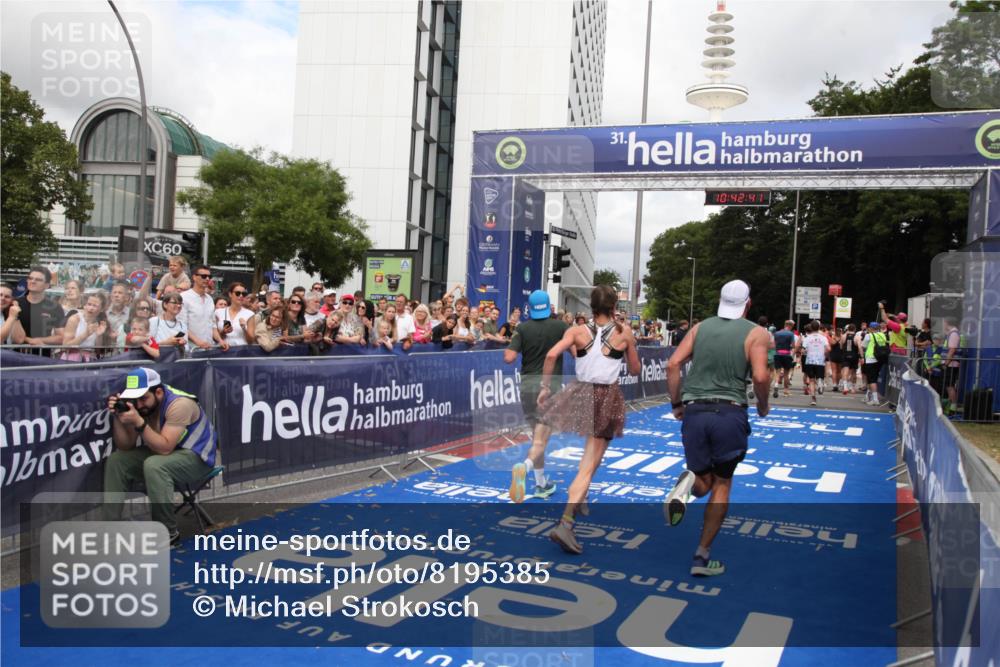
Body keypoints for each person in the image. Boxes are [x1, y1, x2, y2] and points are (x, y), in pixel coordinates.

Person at [663, 279, 771, 577]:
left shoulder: (699, 328)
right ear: (748, 304)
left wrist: (676, 404)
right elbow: (760, 377)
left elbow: (673, 365)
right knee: (721, 484)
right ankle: (701, 557)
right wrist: (763, 405)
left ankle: (684, 489)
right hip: (730, 412)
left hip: (695, 410)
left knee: (703, 480)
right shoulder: (756, 333)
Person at [537, 285, 641, 554]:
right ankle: (566, 522)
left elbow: (551, 355)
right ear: (614, 306)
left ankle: (580, 498)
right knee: (589, 463)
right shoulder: (623, 333)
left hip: (580, 392)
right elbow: (635, 368)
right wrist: (627, 348)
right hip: (605, 395)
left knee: (591, 454)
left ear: (592, 306)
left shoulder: (576, 331)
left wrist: (545, 388)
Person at [104, 368, 218, 545]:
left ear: (158, 392)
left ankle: (167, 533)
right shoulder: (143, 405)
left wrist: (139, 422)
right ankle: (109, 530)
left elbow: (164, 449)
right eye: (135, 399)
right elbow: (126, 445)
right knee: (117, 460)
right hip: (169, 451)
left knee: (155, 465)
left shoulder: (179, 405)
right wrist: (119, 417)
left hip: (198, 458)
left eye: (143, 398)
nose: (139, 405)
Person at [504, 290, 569, 504]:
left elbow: (509, 357)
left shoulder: (522, 328)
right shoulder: (560, 327)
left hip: (527, 387)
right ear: (548, 306)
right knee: (541, 440)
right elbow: (577, 352)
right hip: (549, 387)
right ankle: (525, 468)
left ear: (529, 308)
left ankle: (541, 484)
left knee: (536, 437)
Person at [16, 266, 66, 354]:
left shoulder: (55, 307)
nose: (33, 281)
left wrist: (38, 340)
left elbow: (61, 337)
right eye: (30, 278)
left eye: (38, 280)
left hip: (42, 358)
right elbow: (12, 334)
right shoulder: (16, 303)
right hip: (15, 357)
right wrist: (30, 340)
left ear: (46, 285)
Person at [180, 266, 227, 352]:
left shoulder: (209, 299)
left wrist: (220, 340)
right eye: (204, 276)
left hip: (209, 348)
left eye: (209, 276)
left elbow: (212, 325)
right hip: (191, 349)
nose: (207, 278)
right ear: (194, 277)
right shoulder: (184, 297)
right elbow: (182, 326)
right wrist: (198, 342)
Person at [60, 292, 109, 361]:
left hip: (90, 359)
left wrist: (99, 335)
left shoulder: (100, 322)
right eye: (89, 304)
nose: (91, 308)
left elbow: (98, 351)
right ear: (85, 305)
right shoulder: (75, 319)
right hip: (71, 358)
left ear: (101, 309)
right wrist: (85, 334)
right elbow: (65, 346)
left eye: (95, 306)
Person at [215, 282, 255, 347]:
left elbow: (251, 341)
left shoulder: (250, 314)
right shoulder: (218, 312)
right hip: (222, 350)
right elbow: (214, 338)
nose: (241, 296)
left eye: (244, 294)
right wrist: (223, 332)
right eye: (238, 293)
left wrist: (244, 329)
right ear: (230, 294)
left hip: (240, 351)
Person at [801, 322, 830, 406]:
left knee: (811, 380)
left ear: (811, 328)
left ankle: (813, 398)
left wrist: (806, 351)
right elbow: (828, 348)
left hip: (810, 361)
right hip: (820, 361)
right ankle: (820, 382)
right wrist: (825, 354)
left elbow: (803, 350)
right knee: (819, 377)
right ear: (819, 328)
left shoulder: (807, 338)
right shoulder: (823, 338)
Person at [862, 321, 889, 406]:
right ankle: (869, 396)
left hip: (871, 359)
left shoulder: (868, 335)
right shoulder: (882, 335)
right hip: (880, 359)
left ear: (870, 328)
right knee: (874, 378)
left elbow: (864, 346)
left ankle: (875, 399)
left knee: (871, 380)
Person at [772, 320, 797, 397]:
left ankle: (776, 385)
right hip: (786, 355)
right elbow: (793, 345)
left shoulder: (777, 333)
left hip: (777, 354)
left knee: (777, 372)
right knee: (786, 374)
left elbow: (773, 344)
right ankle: (786, 390)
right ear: (791, 326)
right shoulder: (791, 334)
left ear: (784, 325)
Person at [944, 317, 962, 415]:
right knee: (949, 386)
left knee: (950, 386)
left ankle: (952, 408)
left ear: (947, 323)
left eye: (944, 322)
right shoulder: (952, 333)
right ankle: (951, 407)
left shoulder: (954, 334)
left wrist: (946, 363)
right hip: (951, 363)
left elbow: (952, 350)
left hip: (952, 364)